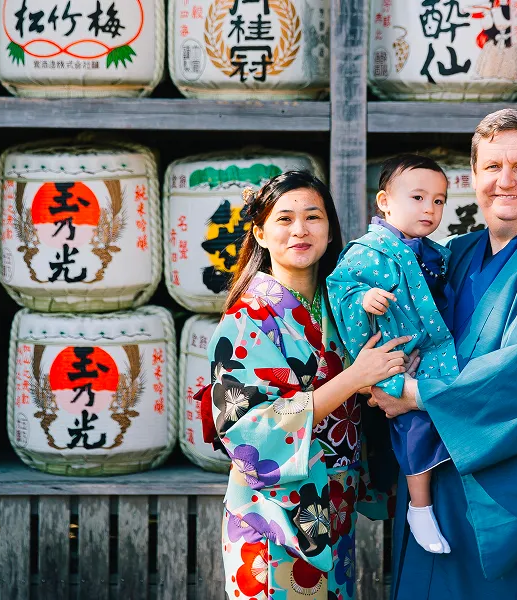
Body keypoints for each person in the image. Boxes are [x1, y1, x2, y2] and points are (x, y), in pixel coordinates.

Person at [367, 108, 517, 599]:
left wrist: (411, 393)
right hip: (428, 480)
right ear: (473, 176)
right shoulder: (452, 254)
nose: (506, 182)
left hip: (502, 494)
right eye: (492, 167)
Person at [204, 171, 410, 600]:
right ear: (260, 233)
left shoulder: (344, 304)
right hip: (272, 508)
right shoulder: (247, 319)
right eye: (284, 219)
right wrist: (354, 378)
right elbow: (249, 427)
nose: (300, 229)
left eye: (313, 217)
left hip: (333, 500)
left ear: (330, 229)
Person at [327, 154, 459, 555]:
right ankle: (420, 506)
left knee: (455, 404)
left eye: (438, 201)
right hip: (389, 354)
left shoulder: (433, 250)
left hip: (430, 348)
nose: (430, 209)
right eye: (418, 197)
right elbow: (339, 288)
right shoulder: (367, 250)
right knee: (413, 423)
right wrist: (362, 298)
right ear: (384, 201)